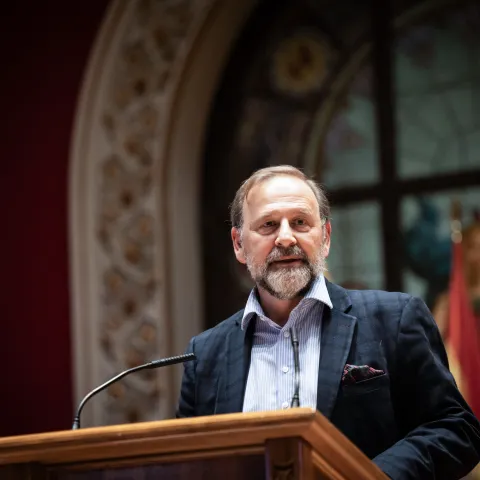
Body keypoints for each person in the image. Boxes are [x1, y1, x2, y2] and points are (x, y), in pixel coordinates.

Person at [176, 165, 480, 479]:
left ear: (325, 238)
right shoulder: (205, 354)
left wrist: (370, 476)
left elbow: (457, 428)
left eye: (300, 222)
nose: (285, 237)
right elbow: (185, 464)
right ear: (239, 244)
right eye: (268, 225)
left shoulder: (395, 318)